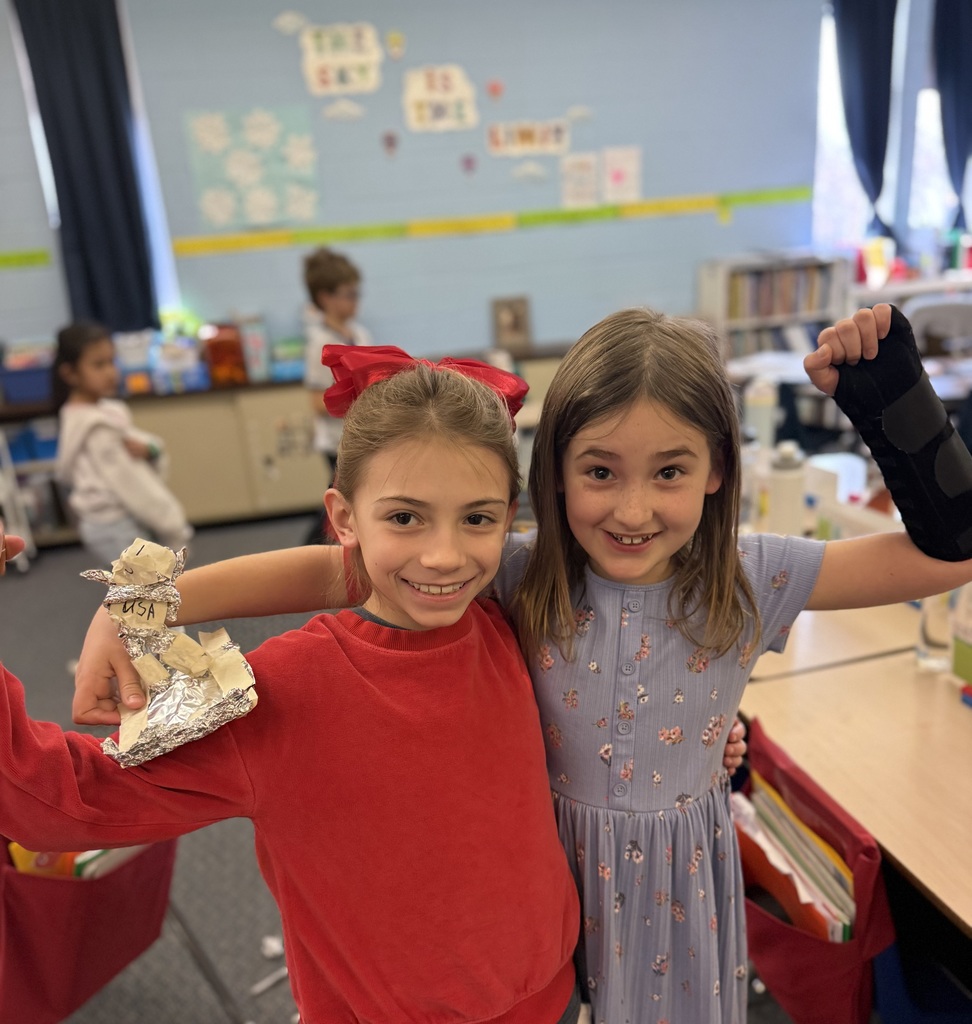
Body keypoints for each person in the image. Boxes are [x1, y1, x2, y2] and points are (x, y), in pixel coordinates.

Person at [74, 304, 970, 1023]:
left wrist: (890, 397)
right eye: (600, 472)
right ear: (553, 473)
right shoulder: (515, 566)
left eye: (669, 471)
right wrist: (140, 602)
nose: (632, 510)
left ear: (716, 470)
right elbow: (331, 568)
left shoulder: (749, 575)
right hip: (534, 892)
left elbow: (948, 555)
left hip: (674, 893)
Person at [0, 355, 584, 1023]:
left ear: (509, 518)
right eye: (405, 518)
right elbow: (58, 802)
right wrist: (130, 604)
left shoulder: (505, 621)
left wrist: (143, 603)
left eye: (477, 519)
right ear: (343, 517)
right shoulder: (281, 691)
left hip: (555, 1000)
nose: (444, 555)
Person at [52, 320, 192, 566]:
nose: (110, 372)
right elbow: (131, 482)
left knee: (149, 584)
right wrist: (171, 524)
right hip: (112, 523)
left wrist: (151, 450)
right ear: (70, 374)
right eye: (99, 365)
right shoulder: (94, 426)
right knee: (149, 584)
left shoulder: (107, 410)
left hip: (124, 518)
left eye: (112, 361)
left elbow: (145, 445)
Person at [302, 247, 375, 543]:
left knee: (350, 498)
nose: (356, 300)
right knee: (339, 501)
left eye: (357, 293)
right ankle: (311, 551)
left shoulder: (360, 334)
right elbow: (316, 401)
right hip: (336, 440)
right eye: (349, 294)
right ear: (325, 298)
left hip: (361, 434)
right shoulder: (320, 344)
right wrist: (356, 395)